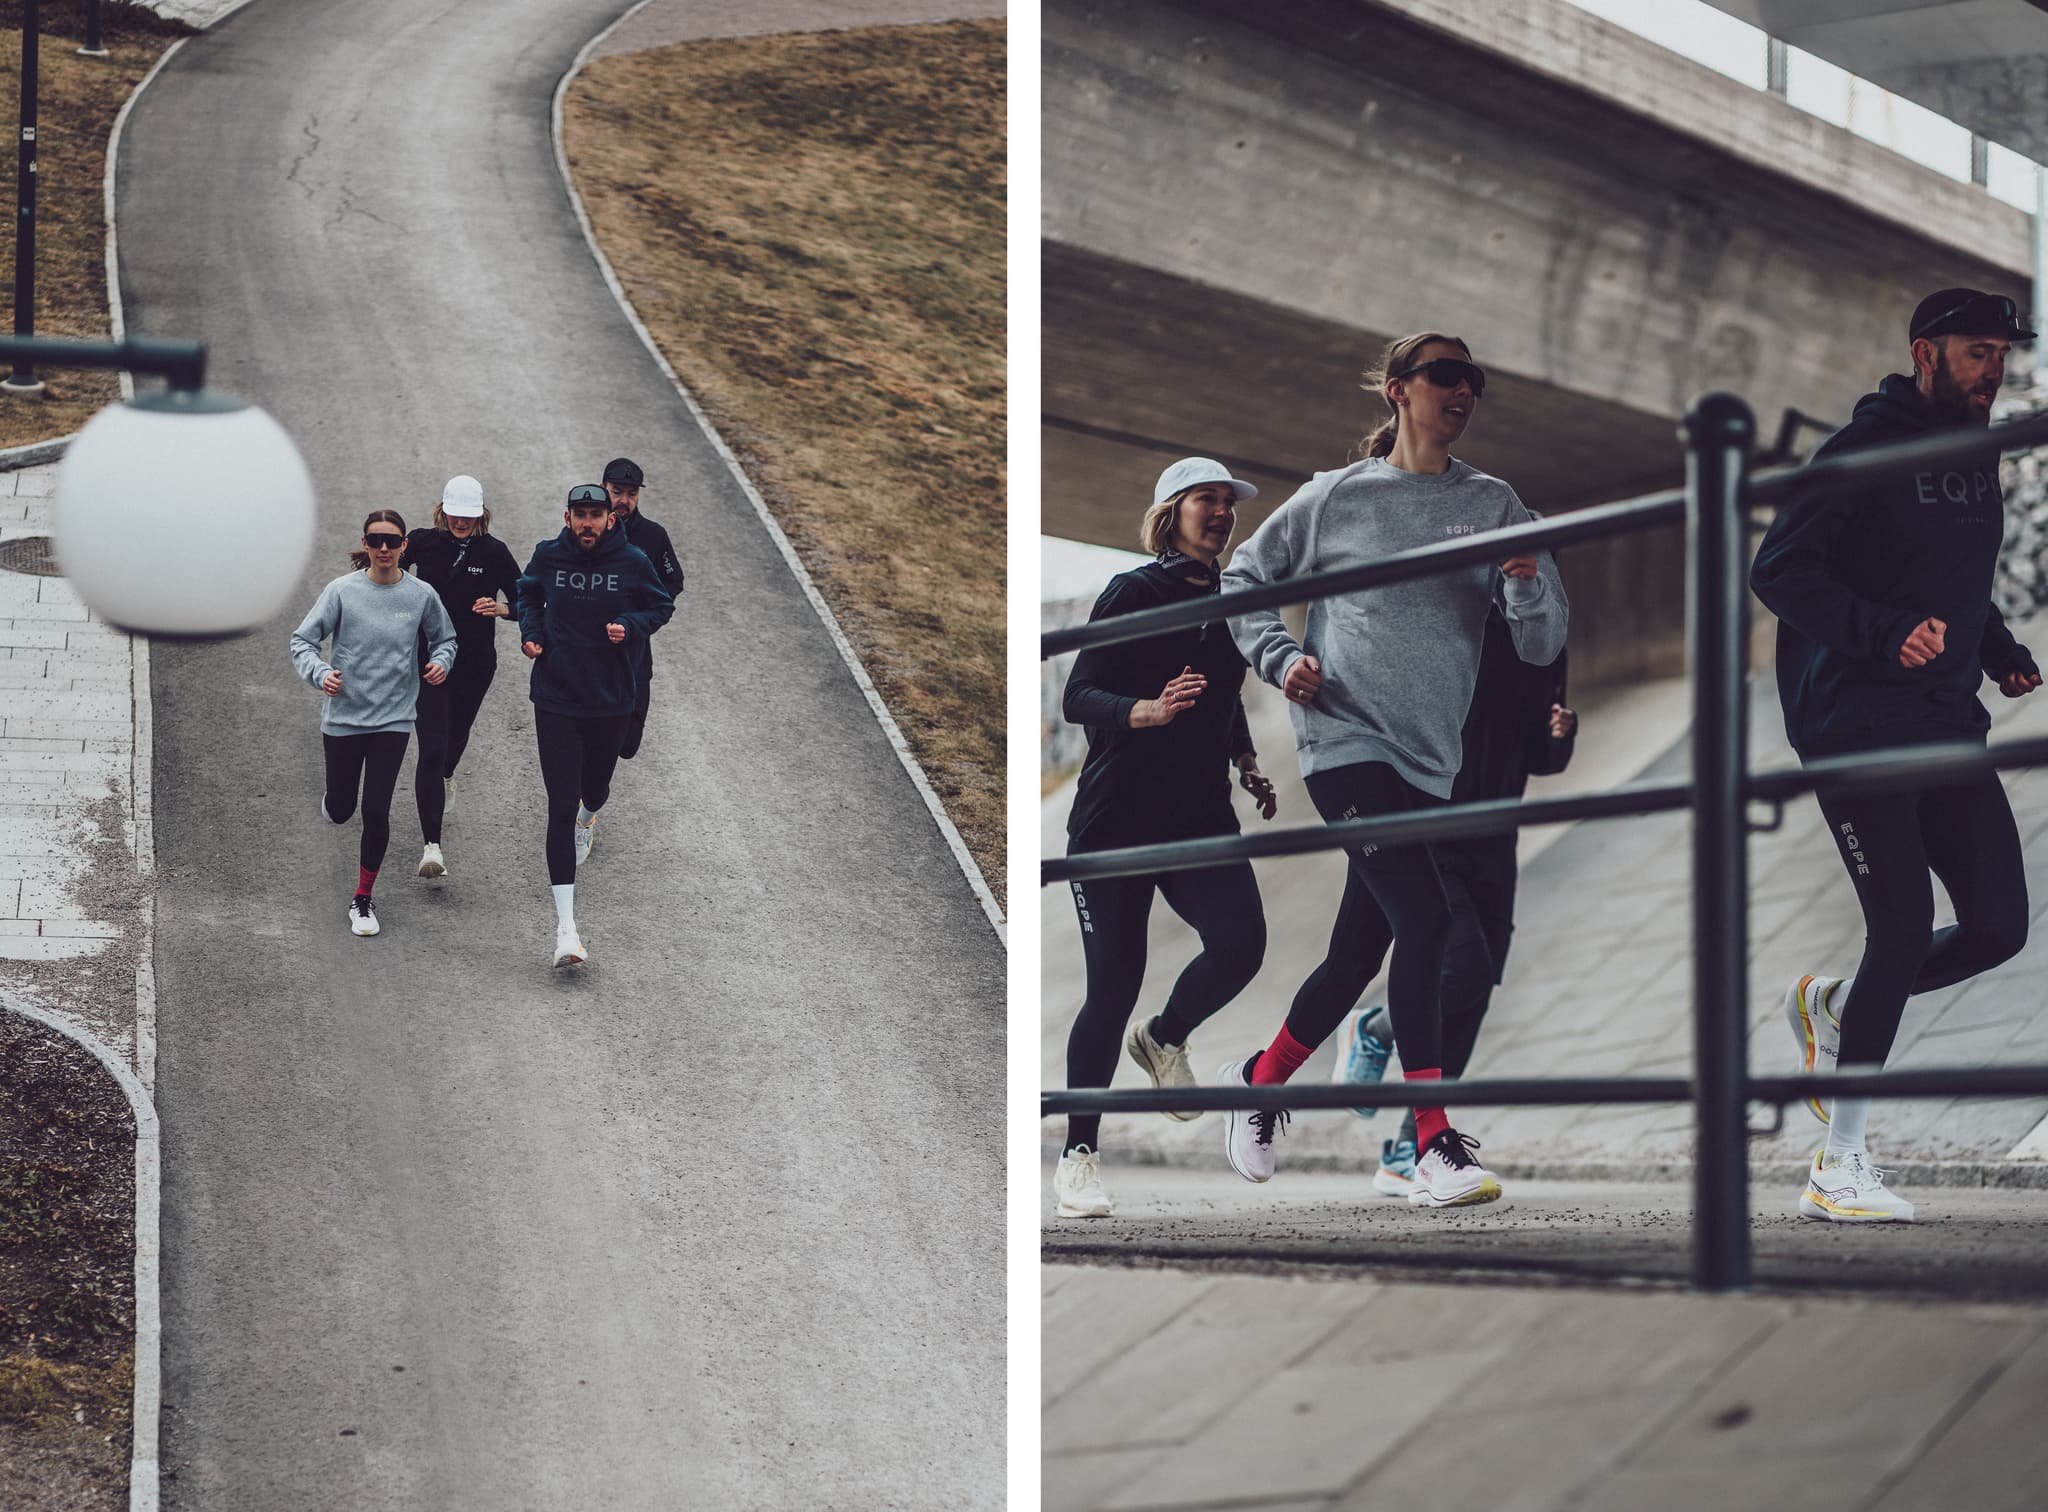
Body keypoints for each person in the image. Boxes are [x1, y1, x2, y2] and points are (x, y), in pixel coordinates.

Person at [1219, 332, 1567, 1209]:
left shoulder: (1493, 504)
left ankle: (1260, 1081)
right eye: (1447, 376)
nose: (1464, 391)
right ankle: (1433, 1138)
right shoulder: (1336, 498)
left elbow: (1542, 639)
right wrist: (1278, 656)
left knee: (1352, 957)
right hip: (1344, 742)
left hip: (1430, 760)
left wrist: (1523, 583)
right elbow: (1243, 579)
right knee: (1429, 923)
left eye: (1473, 381)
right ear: (1399, 390)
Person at [1751, 288, 2039, 1224]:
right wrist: (1881, 634)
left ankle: (1836, 1006)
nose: (1991, 371)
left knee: (1999, 926)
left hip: (1946, 717)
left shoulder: (1972, 452)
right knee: (1904, 929)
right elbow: (1779, 571)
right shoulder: (1861, 450)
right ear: (1925, 354)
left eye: (2000, 354)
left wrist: (1995, 648)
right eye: (1974, 353)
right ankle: (1838, 1166)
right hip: (1853, 721)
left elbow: (1950, 578)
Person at [1052, 458, 1280, 1220]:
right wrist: (1142, 711)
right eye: (1205, 501)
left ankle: (1165, 1035)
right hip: (1115, 820)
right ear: (1171, 513)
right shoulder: (1134, 590)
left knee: (1241, 943)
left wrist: (1245, 758)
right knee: (1111, 986)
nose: (1220, 513)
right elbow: (1080, 693)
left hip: (1200, 816)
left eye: (1227, 503)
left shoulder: (1233, 598)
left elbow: (1223, 691)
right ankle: (1079, 1155)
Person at [1334, 606, 1577, 1196]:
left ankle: (1406, 1151)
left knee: (1476, 991)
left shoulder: (1545, 643)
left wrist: (1559, 737)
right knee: (1461, 968)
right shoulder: (1444, 622)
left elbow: (1540, 757)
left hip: (1497, 838)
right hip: (1434, 828)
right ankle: (1376, 1027)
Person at [518, 483, 676, 966]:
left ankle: (593, 813)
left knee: (595, 790)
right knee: (559, 807)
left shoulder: (631, 561)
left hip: (610, 700)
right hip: (557, 698)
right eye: (580, 514)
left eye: (596, 514)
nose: (588, 522)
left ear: (610, 518)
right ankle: (566, 930)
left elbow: (661, 605)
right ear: (567, 518)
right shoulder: (549, 556)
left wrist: (630, 624)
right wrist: (532, 634)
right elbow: (528, 595)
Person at [290, 511, 458, 938]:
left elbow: (446, 638)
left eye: (392, 541)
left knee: (376, 809)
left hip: (394, 719)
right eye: (375, 540)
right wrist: (320, 673)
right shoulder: (342, 592)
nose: (384, 548)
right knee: (344, 809)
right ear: (365, 545)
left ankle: (363, 899)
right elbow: (303, 640)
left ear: (404, 546)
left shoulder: (421, 595)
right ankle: (334, 799)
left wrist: (440, 662)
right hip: (345, 718)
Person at [401, 475, 523, 879]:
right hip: (428, 660)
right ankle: (431, 847)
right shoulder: (422, 542)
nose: (460, 522)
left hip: (474, 663)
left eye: (468, 516)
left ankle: (448, 774)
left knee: (454, 738)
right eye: (454, 514)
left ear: (481, 515)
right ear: (443, 509)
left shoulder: (495, 552)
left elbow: (528, 600)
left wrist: (502, 609)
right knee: (431, 747)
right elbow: (384, 578)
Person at [600, 458, 685, 761]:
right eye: (617, 491)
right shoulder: (586, 530)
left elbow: (673, 581)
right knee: (591, 734)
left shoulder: (653, 535)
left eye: (631, 493)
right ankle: (584, 800)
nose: (624, 500)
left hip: (634, 651)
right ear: (603, 488)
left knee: (628, 743)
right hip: (589, 650)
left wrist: (642, 617)